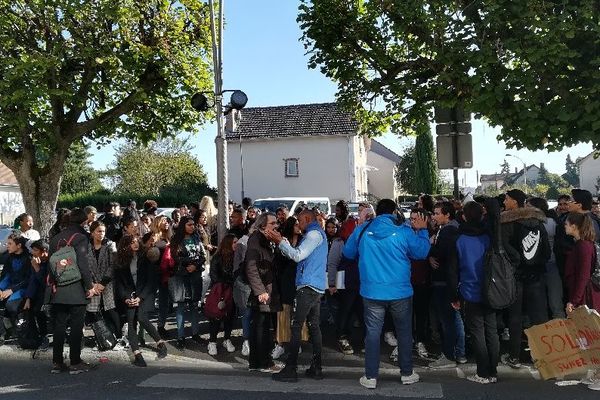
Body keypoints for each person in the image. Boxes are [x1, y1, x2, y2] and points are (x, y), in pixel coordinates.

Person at [343, 199, 430, 389]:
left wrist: (359, 226)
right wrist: (423, 230)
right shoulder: (403, 231)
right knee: (404, 333)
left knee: (372, 334)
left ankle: (371, 376)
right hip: (400, 291)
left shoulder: (363, 230)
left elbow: (348, 253)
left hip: (372, 291)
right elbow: (422, 252)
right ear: (394, 212)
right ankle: (407, 373)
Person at [268, 209, 328, 383]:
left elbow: (297, 255)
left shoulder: (313, 234)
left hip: (307, 286)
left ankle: (291, 368)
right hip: (316, 286)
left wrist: (280, 242)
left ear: (307, 219)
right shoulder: (318, 234)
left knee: (296, 326)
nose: (299, 225)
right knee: (314, 326)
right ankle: (316, 367)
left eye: (300, 221)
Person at [500, 189, 551, 369]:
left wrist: (516, 265)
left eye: (506, 199)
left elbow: (505, 250)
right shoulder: (538, 222)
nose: (504, 202)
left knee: (515, 318)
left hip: (516, 276)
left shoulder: (506, 222)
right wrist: (537, 265)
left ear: (515, 202)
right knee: (539, 317)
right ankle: (542, 357)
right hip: (536, 276)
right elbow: (546, 251)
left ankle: (514, 356)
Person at [448, 201, 498, 384]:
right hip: (491, 290)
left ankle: (482, 372)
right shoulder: (489, 237)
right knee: (492, 331)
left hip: (469, 290)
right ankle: (492, 371)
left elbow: (452, 271)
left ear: (464, 217)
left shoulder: (458, 239)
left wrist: (454, 295)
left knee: (477, 333)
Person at [48, 208, 96, 374]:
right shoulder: (80, 237)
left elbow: (52, 265)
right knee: (76, 325)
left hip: (58, 287)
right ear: (84, 222)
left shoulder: (55, 238)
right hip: (75, 286)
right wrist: (90, 286)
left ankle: (57, 361)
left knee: (59, 325)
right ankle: (75, 361)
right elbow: (83, 264)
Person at [114, 235, 167, 367]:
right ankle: (137, 354)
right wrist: (126, 298)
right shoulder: (120, 261)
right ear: (126, 245)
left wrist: (140, 297)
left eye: (137, 242)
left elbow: (150, 281)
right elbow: (119, 284)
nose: (135, 244)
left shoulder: (145, 258)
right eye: (132, 243)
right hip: (129, 295)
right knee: (131, 321)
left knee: (142, 318)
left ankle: (160, 342)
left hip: (143, 294)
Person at [563, 213, 600, 391]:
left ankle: (598, 375)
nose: (565, 226)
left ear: (575, 226)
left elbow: (583, 276)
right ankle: (593, 373)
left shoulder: (583, 246)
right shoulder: (582, 244)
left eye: (567, 223)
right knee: (587, 337)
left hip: (586, 297)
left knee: (592, 337)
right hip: (584, 295)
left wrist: (574, 301)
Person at [428, 201, 466, 368]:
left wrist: (430, 248)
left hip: (446, 281)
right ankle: (459, 352)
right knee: (454, 319)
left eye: (437, 213)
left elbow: (442, 253)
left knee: (448, 320)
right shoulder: (449, 229)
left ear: (447, 214)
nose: (434, 216)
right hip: (449, 280)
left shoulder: (449, 231)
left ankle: (450, 354)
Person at [245, 212, 282, 373]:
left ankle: (256, 363)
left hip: (267, 290)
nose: (276, 226)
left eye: (276, 223)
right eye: (272, 223)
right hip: (263, 292)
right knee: (261, 328)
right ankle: (263, 363)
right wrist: (260, 290)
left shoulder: (265, 241)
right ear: (262, 226)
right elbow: (251, 267)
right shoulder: (256, 240)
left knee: (260, 327)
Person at [168, 216, 206, 350]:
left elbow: (203, 255)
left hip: (195, 274)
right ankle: (180, 336)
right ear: (183, 225)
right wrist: (188, 265)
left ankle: (195, 333)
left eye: (193, 225)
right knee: (181, 306)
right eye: (189, 225)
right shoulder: (176, 239)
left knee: (195, 305)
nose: (192, 227)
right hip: (181, 275)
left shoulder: (196, 238)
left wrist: (195, 265)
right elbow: (175, 256)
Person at [85, 221, 123, 346]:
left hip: (108, 282)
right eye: (98, 231)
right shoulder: (86, 246)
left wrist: (103, 283)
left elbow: (113, 265)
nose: (101, 234)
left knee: (111, 309)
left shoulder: (110, 244)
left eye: (103, 231)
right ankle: (101, 336)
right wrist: (91, 284)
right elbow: (84, 266)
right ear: (92, 232)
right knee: (92, 310)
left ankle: (118, 335)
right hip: (92, 283)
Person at [271, 216, 303, 360]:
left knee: (299, 313)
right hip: (285, 281)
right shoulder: (283, 241)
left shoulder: (304, 240)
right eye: (296, 224)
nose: (299, 226)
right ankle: (280, 343)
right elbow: (278, 263)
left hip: (300, 280)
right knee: (284, 312)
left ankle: (297, 341)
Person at [207, 234, 238, 356]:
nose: (237, 244)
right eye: (234, 242)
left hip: (232, 290)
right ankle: (212, 341)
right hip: (221, 290)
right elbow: (214, 276)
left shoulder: (237, 257)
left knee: (230, 316)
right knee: (216, 316)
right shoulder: (218, 258)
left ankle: (227, 338)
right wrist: (227, 282)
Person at [0, 233, 32, 345]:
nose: (7, 246)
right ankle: (6, 330)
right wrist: (0, 288)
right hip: (11, 287)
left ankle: (21, 330)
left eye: (10, 243)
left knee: (11, 304)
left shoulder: (28, 259)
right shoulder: (9, 258)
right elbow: (6, 276)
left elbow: (28, 280)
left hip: (24, 289)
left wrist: (11, 290)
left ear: (18, 246)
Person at [23, 239, 50, 349]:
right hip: (39, 293)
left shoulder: (50, 262)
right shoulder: (36, 261)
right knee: (30, 308)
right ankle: (36, 336)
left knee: (40, 310)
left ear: (44, 251)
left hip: (50, 293)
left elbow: (46, 283)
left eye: (35, 250)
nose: (33, 253)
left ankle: (46, 335)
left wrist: (37, 268)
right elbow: (32, 280)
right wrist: (28, 297)